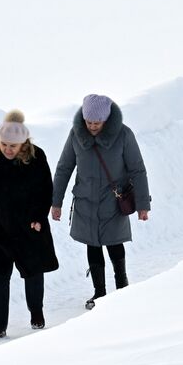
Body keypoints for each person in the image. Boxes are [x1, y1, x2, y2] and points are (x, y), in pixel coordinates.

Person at [49, 93, 151, 309]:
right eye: (89, 122)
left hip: (113, 201)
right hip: (85, 201)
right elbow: (64, 167)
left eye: (97, 122)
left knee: (115, 243)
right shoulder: (76, 135)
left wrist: (142, 205)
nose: (92, 126)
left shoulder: (124, 135)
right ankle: (100, 293)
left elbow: (138, 170)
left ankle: (122, 287)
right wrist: (55, 202)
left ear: (106, 120)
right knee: (92, 245)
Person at [0, 109, 58, 339]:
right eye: (4, 144)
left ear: (23, 145)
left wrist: (38, 217)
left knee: (33, 272)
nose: (7, 149)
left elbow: (45, 189)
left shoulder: (37, 157)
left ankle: (36, 313)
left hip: (28, 226)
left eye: (13, 146)